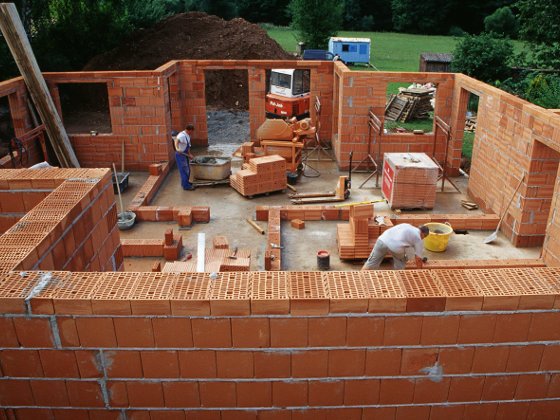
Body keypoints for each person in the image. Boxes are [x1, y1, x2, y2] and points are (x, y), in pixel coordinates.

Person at [362, 224, 429, 270]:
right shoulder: (419, 239)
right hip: (396, 247)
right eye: (425, 237)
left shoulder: (407, 225)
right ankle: (398, 280)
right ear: (423, 234)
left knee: (369, 263)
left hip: (382, 240)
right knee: (400, 263)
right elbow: (418, 259)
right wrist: (420, 271)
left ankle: (360, 277)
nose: (423, 238)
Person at [174, 124, 195, 191]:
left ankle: (185, 183)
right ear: (189, 130)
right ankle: (186, 186)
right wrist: (177, 148)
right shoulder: (181, 135)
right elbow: (176, 141)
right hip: (180, 155)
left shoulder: (188, 135)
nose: (192, 132)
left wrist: (189, 154)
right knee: (184, 170)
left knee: (188, 170)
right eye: (192, 131)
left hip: (185, 154)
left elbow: (188, 146)